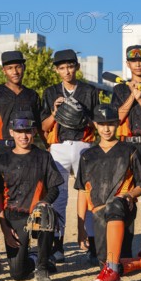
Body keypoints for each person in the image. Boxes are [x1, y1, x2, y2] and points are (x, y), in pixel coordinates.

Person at [75, 104, 141, 281]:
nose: (106, 129)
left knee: (114, 205)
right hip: (98, 214)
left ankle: (112, 270)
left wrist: (129, 195)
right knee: (104, 263)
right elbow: (82, 191)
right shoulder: (87, 156)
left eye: (111, 124)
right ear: (95, 125)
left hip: (123, 209)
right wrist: (81, 227)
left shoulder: (130, 150)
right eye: (102, 124)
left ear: (118, 124)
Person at [0, 50, 46, 265]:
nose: (15, 71)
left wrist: (47, 147)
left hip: (24, 152)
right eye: (10, 68)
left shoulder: (32, 95)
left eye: (18, 66)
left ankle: (27, 242)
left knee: (19, 198)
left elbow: (39, 126)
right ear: (3, 70)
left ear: (24, 68)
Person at [40, 49, 99, 264]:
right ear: (56, 70)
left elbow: (97, 124)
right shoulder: (50, 92)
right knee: (59, 197)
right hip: (59, 146)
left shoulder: (89, 91)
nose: (67, 71)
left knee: (91, 195)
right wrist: (55, 113)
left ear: (77, 67)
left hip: (85, 144)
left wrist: (82, 115)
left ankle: (92, 244)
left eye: (70, 66)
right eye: (62, 67)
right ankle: (58, 246)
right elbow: (44, 127)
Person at [0, 111, 64, 281]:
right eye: (19, 131)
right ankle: (34, 258)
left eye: (27, 131)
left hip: (37, 213)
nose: (23, 136)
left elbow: (55, 187)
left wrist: (44, 202)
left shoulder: (43, 157)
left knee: (46, 214)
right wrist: (4, 226)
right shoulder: (2, 159)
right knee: (18, 274)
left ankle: (42, 267)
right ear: (11, 132)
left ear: (33, 132)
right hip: (14, 216)